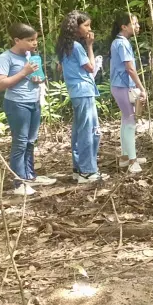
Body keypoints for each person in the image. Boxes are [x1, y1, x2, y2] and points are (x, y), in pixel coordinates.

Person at [0, 23, 57, 195]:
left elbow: (35, 77)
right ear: (17, 40)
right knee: (20, 142)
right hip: (17, 104)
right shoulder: (5, 58)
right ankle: (19, 182)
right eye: (30, 40)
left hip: (34, 102)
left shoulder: (30, 55)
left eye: (36, 39)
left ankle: (30, 176)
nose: (34, 43)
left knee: (30, 141)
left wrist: (37, 79)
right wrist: (24, 72)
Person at [57, 10, 102, 183]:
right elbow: (90, 67)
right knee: (90, 131)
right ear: (76, 28)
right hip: (84, 91)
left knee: (79, 130)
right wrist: (89, 45)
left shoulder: (63, 46)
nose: (89, 28)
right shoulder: (76, 47)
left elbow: (62, 68)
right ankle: (87, 171)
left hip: (76, 91)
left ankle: (78, 168)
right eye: (86, 25)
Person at [110, 12, 147, 173]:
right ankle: (132, 161)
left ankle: (126, 157)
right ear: (124, 26)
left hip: (121, 86)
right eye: (135, 23)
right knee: (130, 122)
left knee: (127, 120)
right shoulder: (122, 43)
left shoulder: (120, 42)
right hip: (122, 86)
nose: (138, 26)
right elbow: (130, 68)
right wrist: (142, 87)